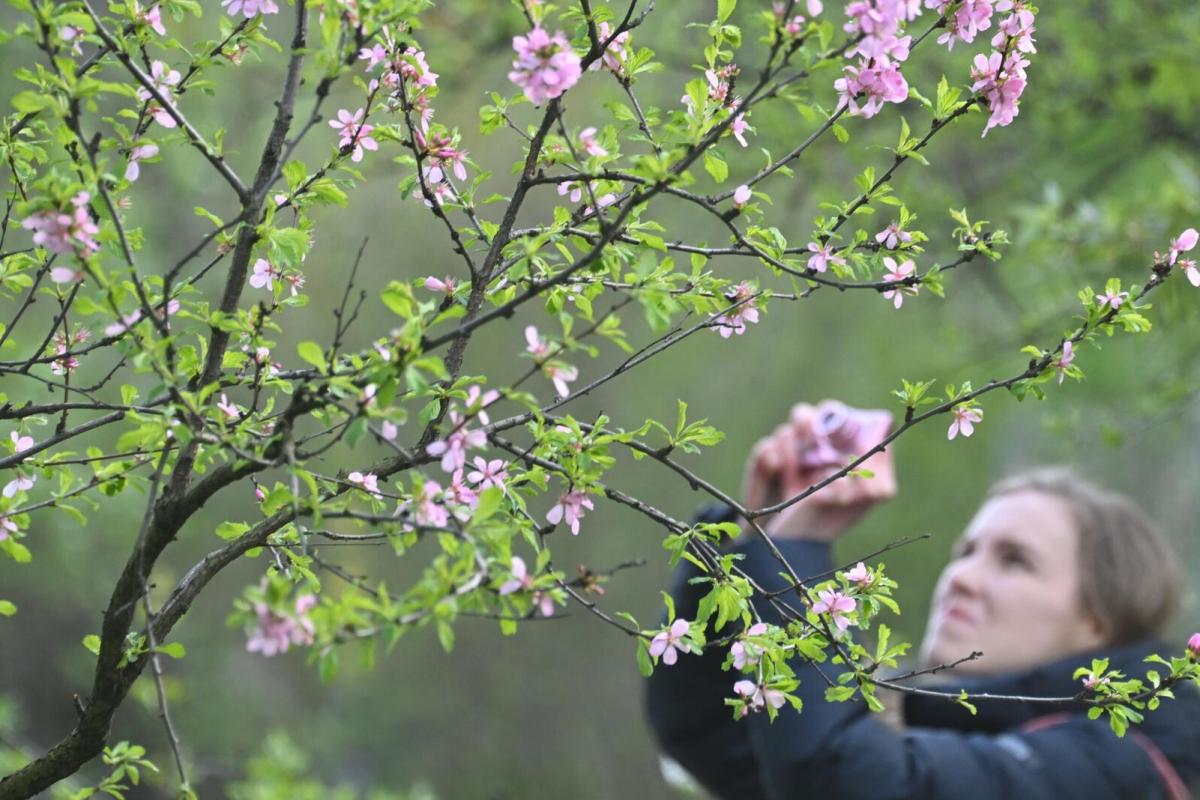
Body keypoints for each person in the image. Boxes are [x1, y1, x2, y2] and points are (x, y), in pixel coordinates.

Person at [644, 401, 1200, 799]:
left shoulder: (1122, 767)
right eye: (966, 551)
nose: (960, 577)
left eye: (1014, 561)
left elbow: (843, 782)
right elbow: (709, 731)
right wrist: (753, 539)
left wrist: (796, 554)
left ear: (1099, 621)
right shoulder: (924, 736)